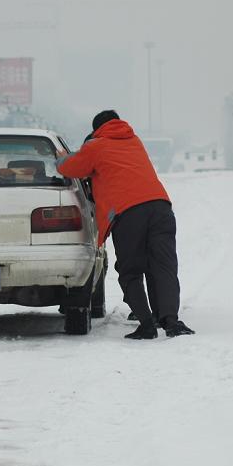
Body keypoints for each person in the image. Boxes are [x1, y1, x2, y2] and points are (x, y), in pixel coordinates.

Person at [57, 109, 195, 340]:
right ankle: (171, 321)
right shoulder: (134, 141)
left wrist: (62, 158)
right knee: (163, 266)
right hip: (161, 207)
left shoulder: (95, 145)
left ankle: (147, 324)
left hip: (128, 213)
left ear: (97, 129)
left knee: (130, 271)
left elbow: (70, 168)